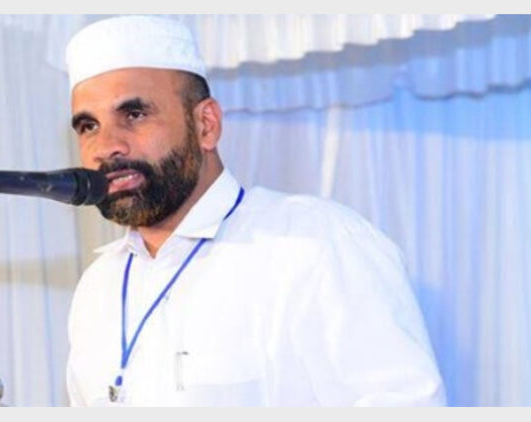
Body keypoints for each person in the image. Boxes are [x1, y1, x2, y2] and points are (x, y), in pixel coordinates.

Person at [64, 15, 446, 406]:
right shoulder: (98, 287)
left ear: (206, 125)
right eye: (88, 126)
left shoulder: (316, 245)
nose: (106, 146)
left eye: (135, 115)